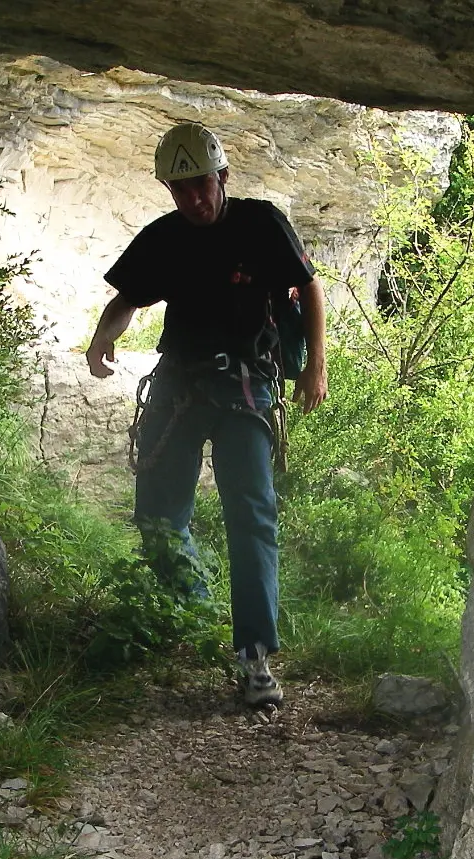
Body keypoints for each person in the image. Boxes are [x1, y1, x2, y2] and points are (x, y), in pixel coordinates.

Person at [85, 122, 328, 707]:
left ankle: (255, 654)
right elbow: (127, 299)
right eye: (180, 188)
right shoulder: (164, 238)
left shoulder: (261, 224)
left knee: (252, 513)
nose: (193, 198)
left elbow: (309, 286)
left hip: (246, 384)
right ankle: (191, 611)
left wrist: (314, 366)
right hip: (180, 384)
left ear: (222, 177)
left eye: (200, 184)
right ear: (169, 190)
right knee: (157, 513)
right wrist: (101, 338)